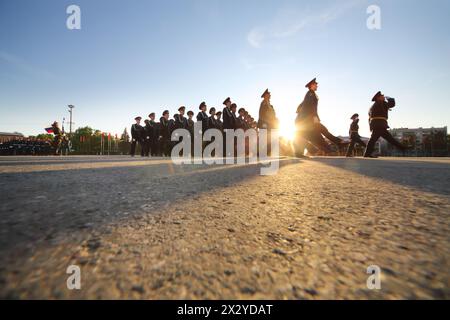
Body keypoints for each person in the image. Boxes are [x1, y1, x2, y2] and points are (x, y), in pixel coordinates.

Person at [294, 78, 342, 157]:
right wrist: (314, 117)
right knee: (320, 130)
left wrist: (299, 111)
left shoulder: (310, 94)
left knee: (314, 134)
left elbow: (302, 105)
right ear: (312, 85)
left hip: (304, 121)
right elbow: (311, 107)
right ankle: (336, 143)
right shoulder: (310, 94)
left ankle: (330, 147)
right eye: (316, 84)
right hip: (305, 121)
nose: (317, 85)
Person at [364, 91, 408, 158]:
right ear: (378, 98)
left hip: (377, 124)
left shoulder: (373, 106)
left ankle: (403, 148)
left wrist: (371, 126)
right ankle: (367, 154)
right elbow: (392, 104)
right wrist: (389, 98)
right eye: (382, 96)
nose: (383, 97)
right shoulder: (381, 103)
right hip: (379, 125)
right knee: (373, 140)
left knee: (389, 139)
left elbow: (369, 118)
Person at [257, 89, 279, 156]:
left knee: (269, 138)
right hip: (264, 124)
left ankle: (267, 152)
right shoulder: (264, 103)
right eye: (269, 94)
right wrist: (264, 123)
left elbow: (272, 114)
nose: (270, 95)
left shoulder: (269, 104)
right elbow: (261, 114)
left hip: (270, 124)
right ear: (265, 95)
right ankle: (260, 153)